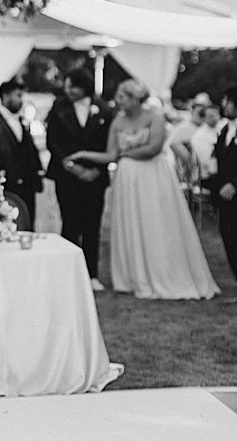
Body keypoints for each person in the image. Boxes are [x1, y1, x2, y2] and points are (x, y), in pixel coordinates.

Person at [64, 79, 218, 300]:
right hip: (128, 179)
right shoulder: (117, 121)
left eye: (122, 97)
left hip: (153, 175)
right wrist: (83, 154)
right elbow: (110, 155)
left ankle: (162, 271)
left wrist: (125, 156)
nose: (118, 101)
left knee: (155, 221)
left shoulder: (155, 117)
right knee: (132, 222)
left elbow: (153, 149)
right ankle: (134, 276)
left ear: (135, 98)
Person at [44, 68, 113, 290]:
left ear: (84, 86)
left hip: (95, 176)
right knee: (70, 223)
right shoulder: (59, 107)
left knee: (93, 225)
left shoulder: (103, 109)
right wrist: (74, 168)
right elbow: (53, 142)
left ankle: (92, 274)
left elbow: (108, 145)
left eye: (73, 86)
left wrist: (95, 170)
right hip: (67, 175)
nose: (68, 90)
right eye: (67, 86)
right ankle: (69, 274)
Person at [0, 80, 43, 227]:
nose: (22, 100)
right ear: (6, 96)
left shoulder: (23, 122)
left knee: (27, 228)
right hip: (3, 191)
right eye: (18, 95)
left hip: (26, 189)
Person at [208, 87, 237, 288]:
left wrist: (235, 184)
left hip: (233, 192)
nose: (224, 105)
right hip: (223, 197)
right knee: (229, 238)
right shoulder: (226, 129)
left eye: (228, 101)